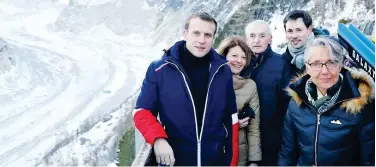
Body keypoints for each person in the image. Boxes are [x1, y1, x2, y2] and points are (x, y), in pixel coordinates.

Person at [132, 12, 239, 166]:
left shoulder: (223, 70)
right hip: (176, 160)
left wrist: (231, 163)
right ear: (185, 34)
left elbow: (231, 119)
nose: (202, 40)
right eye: (196, 33)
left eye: (207, 35)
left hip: (214, 160)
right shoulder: (160, 69)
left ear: (213, 38)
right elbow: (142, 111)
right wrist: (157, 139)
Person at [278, 36, 375, 166]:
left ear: (340, 65)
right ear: (307, 67)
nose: (325, 71)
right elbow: (287, 153)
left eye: (331, 63)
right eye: (317, 64)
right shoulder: (296, 101)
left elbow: (368, 160)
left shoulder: (361, 104)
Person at [241, 20, 291, 166]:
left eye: (262, 36)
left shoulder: (281, 64)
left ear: (270, 38)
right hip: (242, 137)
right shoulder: (238, 63)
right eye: (252, 36)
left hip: (272, 140)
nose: (256, 40)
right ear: (246, 39)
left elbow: (288, 106)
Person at [217, 36, 261, 166]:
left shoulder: (250, 86)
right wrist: (233, 123)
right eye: (234, 56)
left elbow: (254, 128)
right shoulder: (211, 80)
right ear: (224, 56)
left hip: (240, 153)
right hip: (214, 150)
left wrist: (254, 161)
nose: (239, 61)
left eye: (243, 57)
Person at [282, 10, 327, 76]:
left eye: (299, 30)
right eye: (290, 31)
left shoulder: (328, 52)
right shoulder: (284, 60)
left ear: (309, 29)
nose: (294, 36)